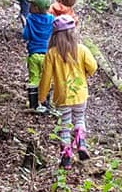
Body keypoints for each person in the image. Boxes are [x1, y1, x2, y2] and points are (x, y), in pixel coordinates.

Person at [38, 14, 97, 168]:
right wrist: (86, 72)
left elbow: (45, 78)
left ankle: (66, 158)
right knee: (79, 119)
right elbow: (93, 67)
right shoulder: (81, 50)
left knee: (64, 126)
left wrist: (41, 97)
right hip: (80, 93)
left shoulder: (51, 54)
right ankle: (81, 142)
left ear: (55, 36)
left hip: (62, 97)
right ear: (73, 33)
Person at [21, 0, 55, 113]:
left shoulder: (30, 19)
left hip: (34, 54)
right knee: (46, 78)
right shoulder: (52, 19)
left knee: (34, 78)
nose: (29, 6)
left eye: (31, 4)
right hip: (47, 55)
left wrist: (25, 26)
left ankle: (33, 104)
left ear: (35, 8)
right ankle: (45, 102)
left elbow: (25, 36)